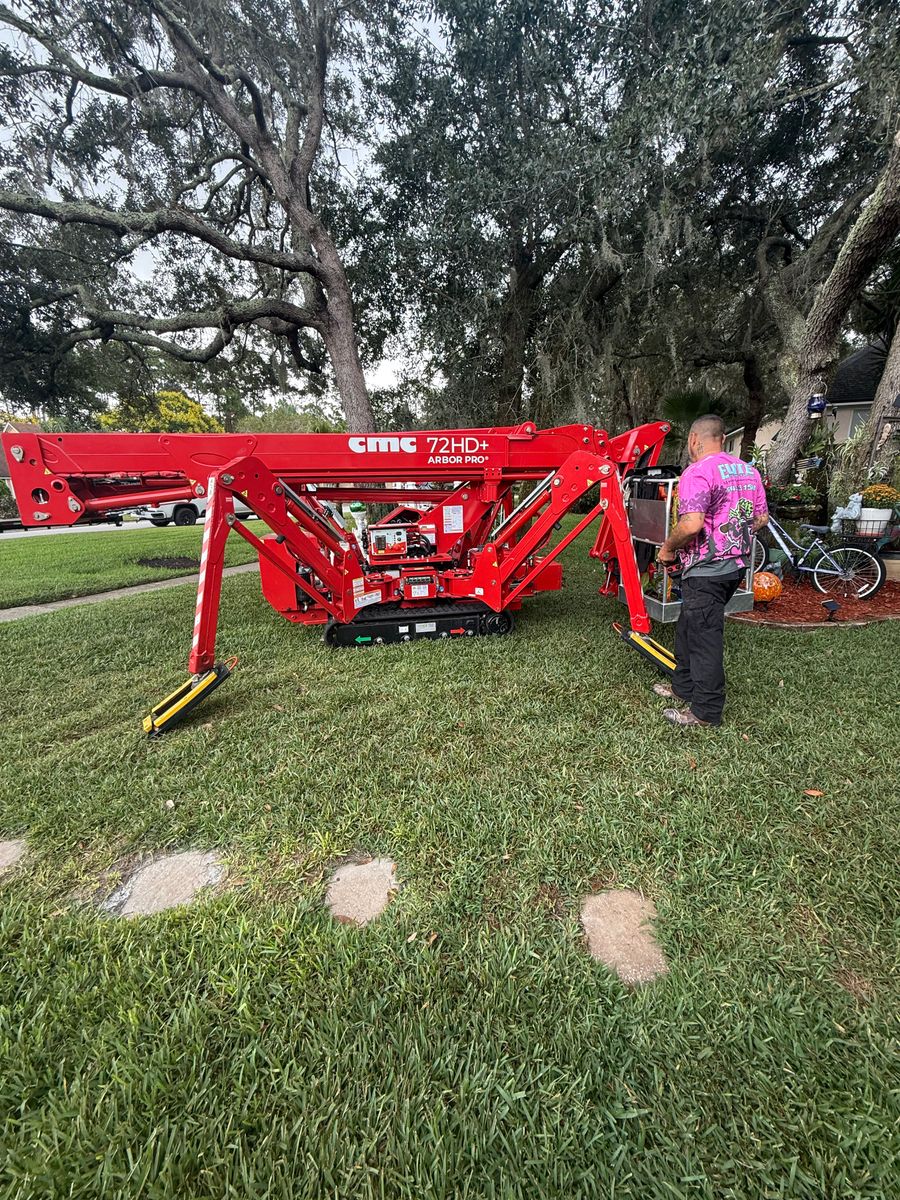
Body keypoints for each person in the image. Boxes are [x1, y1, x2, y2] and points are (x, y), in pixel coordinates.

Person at [656, 414, 768, 727]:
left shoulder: (698, 471)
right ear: (721, 438)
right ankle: (682, 687)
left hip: (706, 569)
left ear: (694, 439)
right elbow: (761, 519)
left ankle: (705, 712)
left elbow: (691, 524)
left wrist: (667, 549)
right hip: (735, 568)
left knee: (705, 636)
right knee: (689, 626)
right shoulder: (748, 472)